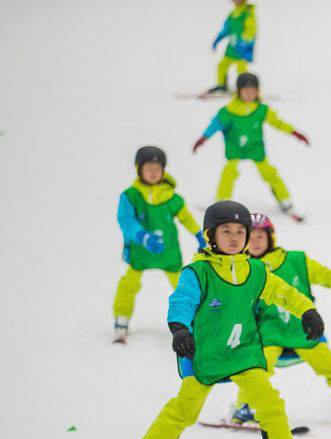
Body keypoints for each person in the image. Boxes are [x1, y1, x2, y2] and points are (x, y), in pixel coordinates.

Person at [126, 201, 325, 439]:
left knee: (270, 403)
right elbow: (181, 301)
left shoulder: (256, 271)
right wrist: (180, 329)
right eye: (226, 231)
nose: (234, 238)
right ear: (211, 236)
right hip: (206, 352)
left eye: (240, 232)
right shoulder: (198, 272)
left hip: (243, 352)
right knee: (186, 406)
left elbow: (284, 292)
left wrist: (307, 310)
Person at [231, 212, 331, 433]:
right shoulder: (244, 270)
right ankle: (243, 409)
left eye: (260, 237)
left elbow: (325, 275)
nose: (255, 243)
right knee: (257, 365)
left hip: (303, 330)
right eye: (250, 238)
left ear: (270, 237)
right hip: (269, 333)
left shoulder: (296, 260)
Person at [113, 146, 204, 343]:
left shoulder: (171, 197)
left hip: (168, 251)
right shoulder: (131, 196)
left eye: (157, 168)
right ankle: (122, 318)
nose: (154, 172)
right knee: (128, 285)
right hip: (140, 251)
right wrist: (142, 236)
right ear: (139, 170)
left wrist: (199, 234)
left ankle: (195, 319)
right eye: (149, 168)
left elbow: (186, 217)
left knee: (183, 285)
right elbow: (126, 220)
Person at [193, 73, 309, 219]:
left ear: (257, 92)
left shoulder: (261, 110)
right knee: (229, 172)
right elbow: (215, 124)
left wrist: (295, 133)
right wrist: (204, 138)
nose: (249, 94)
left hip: (255, 148)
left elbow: (278, 123)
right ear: (238, 91)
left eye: (252, 91)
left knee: (270, 173)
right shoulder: (228, 111)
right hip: (235, 147)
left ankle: (285, 200)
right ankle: (221, 201)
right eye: (245, 91)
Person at [208, 0, 256, 96]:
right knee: (222, 65)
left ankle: (243, 87)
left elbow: (251, 30)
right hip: (232, 46)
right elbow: (226, 29)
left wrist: (244, 41)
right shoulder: (233, 13)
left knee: (241, 68)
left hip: (242, 46)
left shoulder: (247, 13)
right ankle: (221, 85)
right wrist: (218, 39)